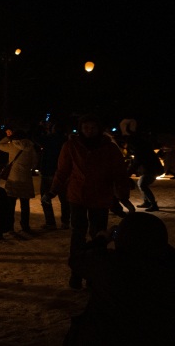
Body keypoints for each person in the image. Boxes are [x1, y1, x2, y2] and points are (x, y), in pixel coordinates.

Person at [65, 213, 175, 345]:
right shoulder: (170, 270)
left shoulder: (109, 264)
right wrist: (159, 244)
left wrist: (101, 239)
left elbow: (76, 259)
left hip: (109, 337)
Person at [42, 114, 134, 290]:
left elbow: (119, 174)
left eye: (93, 127)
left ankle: (94, 274)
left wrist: (123, 197)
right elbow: (62, 171)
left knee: (98, 236)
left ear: (99, 129)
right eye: (86, 127)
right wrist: (53, 190)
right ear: (81, 128)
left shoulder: (109, 148)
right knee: (77, 235)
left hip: (100, 198)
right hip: (78, 196)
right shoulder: (71, 146)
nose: (89, 131)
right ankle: (76, 273)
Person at [0, 129, 39, 234]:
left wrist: (8, 137)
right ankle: (25, 226)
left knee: (11, 205)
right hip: (26, 179)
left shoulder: (12, 145)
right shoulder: (31, 147)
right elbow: (35, 162)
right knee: (25, 205)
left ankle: (10, 227)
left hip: (13, 178)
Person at [34, 122, 70, 229]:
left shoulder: (49, 139)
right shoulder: (66, 140)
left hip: (48, 171)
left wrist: (40, 126)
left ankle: (50, 222)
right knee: (64, 199)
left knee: (46, 197)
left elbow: (35, 137)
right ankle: (65, 222)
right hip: (63, 172)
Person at [121, 127, 164, 211]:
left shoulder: (140, 150)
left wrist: (127, 174)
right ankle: (147, 202)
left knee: (142, 184)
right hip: (150, 169)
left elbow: (136, 164)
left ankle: (153, 204)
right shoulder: (142, 147)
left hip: (151, 170)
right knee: (141, 183)